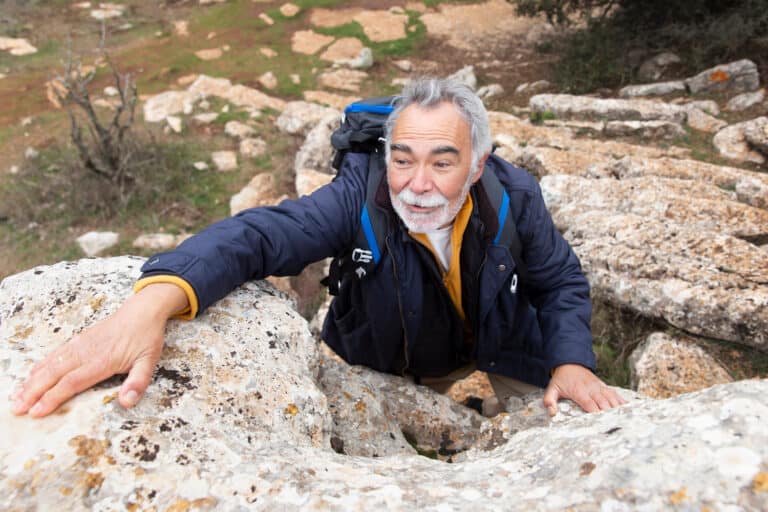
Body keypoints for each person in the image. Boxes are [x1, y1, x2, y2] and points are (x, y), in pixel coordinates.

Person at [10, 77, 625, 419]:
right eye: (402, 158)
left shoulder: (513, 194)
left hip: (502, 345)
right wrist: (151, 304)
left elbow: (559, 282)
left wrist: (571, 359)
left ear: (476, 164)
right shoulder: (360, 194)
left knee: (557, 427)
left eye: (443, 162)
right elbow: (261, 235)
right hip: (388, 360)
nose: (417, 183)